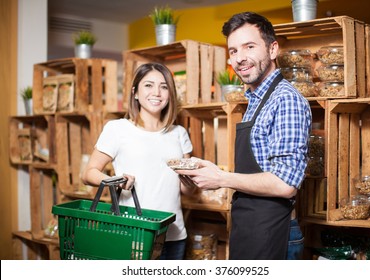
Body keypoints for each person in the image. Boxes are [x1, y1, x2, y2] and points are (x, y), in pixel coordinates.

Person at [175, 12, 312, 260]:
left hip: (273, 234)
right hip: (249, 229)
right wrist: (212, 171)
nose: (240, 58)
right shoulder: (256, 99)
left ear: (272, 49)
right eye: (233, 51)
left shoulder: (285, 99)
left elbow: (285, 184)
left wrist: (222, 178)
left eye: (249, 47)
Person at [82, 62, 195, 260]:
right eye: (149, 85)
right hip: (132, 233)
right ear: (135, 93)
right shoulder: (117, 129)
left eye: (164, 86)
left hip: (174, 235)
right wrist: (117, 180)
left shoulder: (179, 133)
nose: (157, 92)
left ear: (170, 94)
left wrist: (190, 181)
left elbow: (187, 191)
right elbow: (88, 172)